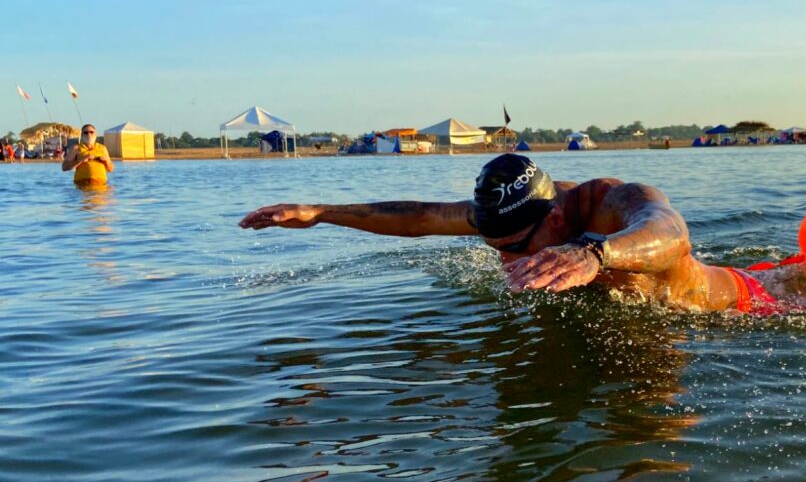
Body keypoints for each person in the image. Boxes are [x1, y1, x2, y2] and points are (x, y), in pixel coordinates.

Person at [238, 153, 777, 312]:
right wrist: (320, 211)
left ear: (558, 219)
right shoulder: (511, 217)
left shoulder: (611, 202)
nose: (505, 261)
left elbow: (671, 233)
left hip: (734, 308)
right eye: (494, 247)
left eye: (516, 249)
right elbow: (420, 217)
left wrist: (594, 254)